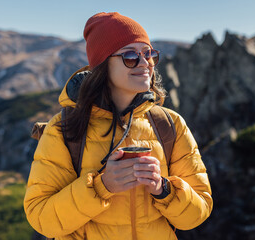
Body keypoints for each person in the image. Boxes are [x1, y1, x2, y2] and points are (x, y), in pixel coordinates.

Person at [24, 12, 213, 240]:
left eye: (149, 54)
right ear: (103, 65)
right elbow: (42, 219)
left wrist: (163, 189)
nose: (145, 63)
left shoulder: (170, 125)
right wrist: (102, 186)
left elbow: (198, 214)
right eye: (130, 56)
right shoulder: (63, 128)